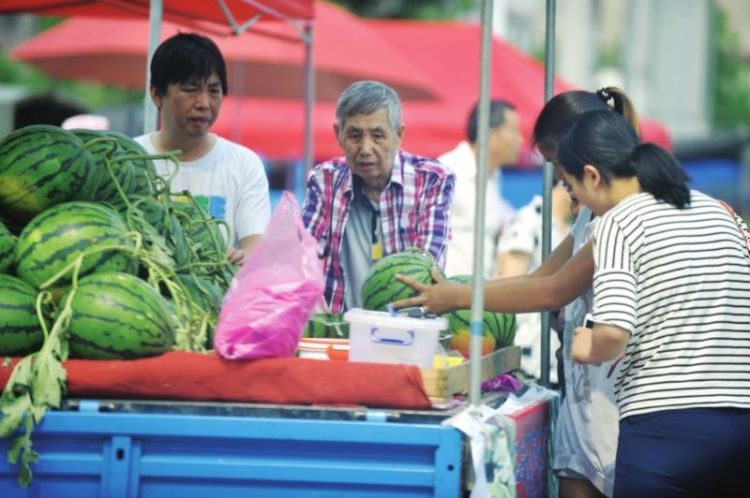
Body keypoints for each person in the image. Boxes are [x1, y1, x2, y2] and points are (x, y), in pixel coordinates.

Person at [393, 88, 640, 498]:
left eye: (558, 166)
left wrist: (457, 298)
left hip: (611, 400)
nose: (560, 181)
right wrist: (459, 289)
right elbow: (538, 276)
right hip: (584, 399)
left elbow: (551, 292)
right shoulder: (588, 219)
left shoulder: (616, 221)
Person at [560, 109, 750, 498]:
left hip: (666, 431)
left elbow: (612, 332)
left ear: (592, 175)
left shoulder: (618, 221)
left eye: (571, 186)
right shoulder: (719, 210)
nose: (576, 202)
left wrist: (586, 346)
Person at [301, 80, 455, 313]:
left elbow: (425, 266)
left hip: (407, 328)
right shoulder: (325, 180)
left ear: (399, 135)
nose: (365, 148)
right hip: (342, 332)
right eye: (354, 135)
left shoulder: (431, 180)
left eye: (377, 135)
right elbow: (302, 253)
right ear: (338, 134)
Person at [135, 32, 271, 266]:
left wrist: (244, 258)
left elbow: (255, 245)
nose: (204, 103)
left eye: (214, 91)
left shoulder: (244, 163)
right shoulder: (131, 159)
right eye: (191, 89)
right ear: (157, 95)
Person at [496, 182, 572, 383]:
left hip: (557, 356)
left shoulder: (570, 227)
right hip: (530, 358)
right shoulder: (529, 221)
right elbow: (508, 287)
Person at [441, 99, 521, 278]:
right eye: (514, 132)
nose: (520, 140)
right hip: (447, 293)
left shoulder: (494, 175)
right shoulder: (447, 172)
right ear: (491, 136)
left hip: (476, 295)